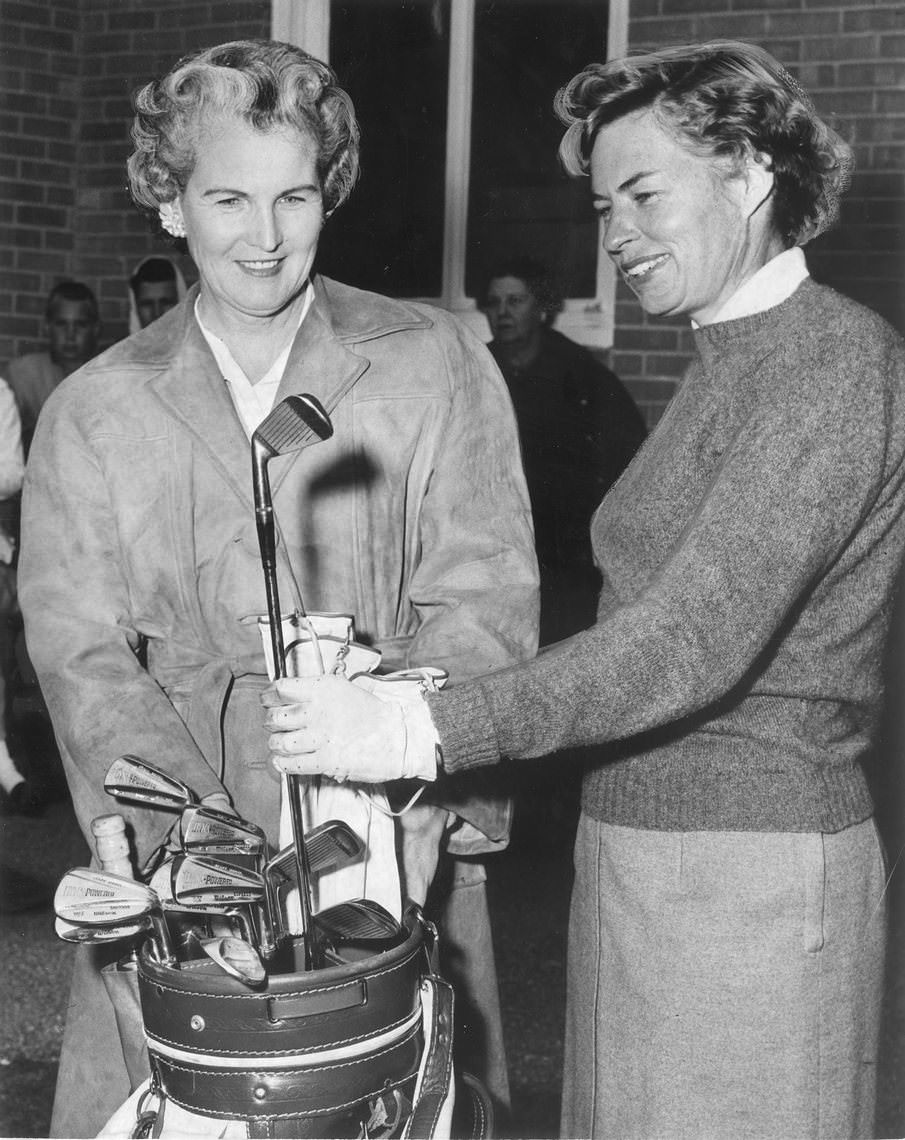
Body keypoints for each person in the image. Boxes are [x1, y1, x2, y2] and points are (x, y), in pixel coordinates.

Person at [264, 40, 905, 1140]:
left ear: (748, 174)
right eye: (605, 205)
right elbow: (647, 617)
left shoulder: (831, 365)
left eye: (644, 195)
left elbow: (688, 640)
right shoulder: (733, 360)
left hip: (745, 872)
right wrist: (421, 676)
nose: (616, 236)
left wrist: (418, 727)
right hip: (645, 853)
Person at [18, 40, 538, 1137]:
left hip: (390, 834)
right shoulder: (95, 410)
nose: (264, 237)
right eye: (228, 198)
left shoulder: (432, 364)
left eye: (294, 195)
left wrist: (415, 808)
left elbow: (485, 602)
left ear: (328, 193)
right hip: (183, 848)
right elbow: (81, 656)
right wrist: (192, 856)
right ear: (168, 205)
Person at [481, 255, 645, 641]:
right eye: (494, 302)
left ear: (540, 309)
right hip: (496, 542)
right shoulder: (476, 366)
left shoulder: (582, 375)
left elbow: (629, 461)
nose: (502, 313)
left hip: (566, 554)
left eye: (516, 301)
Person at [6, 281, 100, 455]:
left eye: (80, 325)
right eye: (61, 324)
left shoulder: (109, 377)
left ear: (95, 329)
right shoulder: (24, 374)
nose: (70, 335)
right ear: (47, 326)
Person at [127, 254, 187, 333]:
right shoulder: (120, 345)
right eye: (147, 304)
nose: (157, 313)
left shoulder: (203, 344)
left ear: (180, 301)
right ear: (135, 306)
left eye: (166, 303)